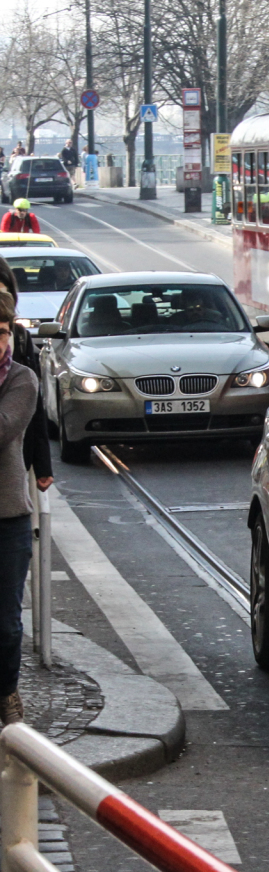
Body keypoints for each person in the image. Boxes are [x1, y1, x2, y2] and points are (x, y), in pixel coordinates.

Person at [0, 289, 38, 724]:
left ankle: (7, 692)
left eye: (4, 332)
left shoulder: (21, 380)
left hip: (6, 517)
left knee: (6, 622)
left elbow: (4, 427)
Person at [0, 257, 53, 492]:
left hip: (16, 451)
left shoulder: (19, 337)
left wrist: (43, 465)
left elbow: (35, 405)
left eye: (4, 293)